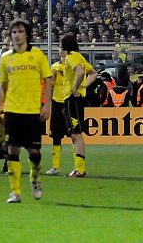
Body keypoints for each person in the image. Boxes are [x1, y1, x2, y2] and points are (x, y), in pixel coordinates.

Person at [0, 19, 53, 203]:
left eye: (20, 31)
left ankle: (34, 179)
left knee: (34, 153)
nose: (17, 35)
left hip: (33, 110)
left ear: (27, 34)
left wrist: (47, 105)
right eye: (14, 32)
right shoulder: (5, 58)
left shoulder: (38, 56)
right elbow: (2, 87)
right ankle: (15, 192)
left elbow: (48, 81)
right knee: (12, 149)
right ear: (10, 36)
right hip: (12, 110)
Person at [61, 33, 97, 178]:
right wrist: (83, 87)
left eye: (60, 45)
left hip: (72, 99)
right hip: (75, 99)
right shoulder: (79, 56)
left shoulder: (71, 57)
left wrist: (75, 88)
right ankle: (78, 167)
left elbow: (81, 72)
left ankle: (80, 169)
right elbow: (93, 73)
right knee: (75, 134)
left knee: (76, 134)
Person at [46, 50, 68, 175]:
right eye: (60, 48)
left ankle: (78, 166)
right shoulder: (54, 67)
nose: (62, 50)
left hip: (69, 102)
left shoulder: (73, 66)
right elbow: (51, 85)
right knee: (55, 136)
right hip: (57, 103)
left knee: (74, 135)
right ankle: (56, 166)